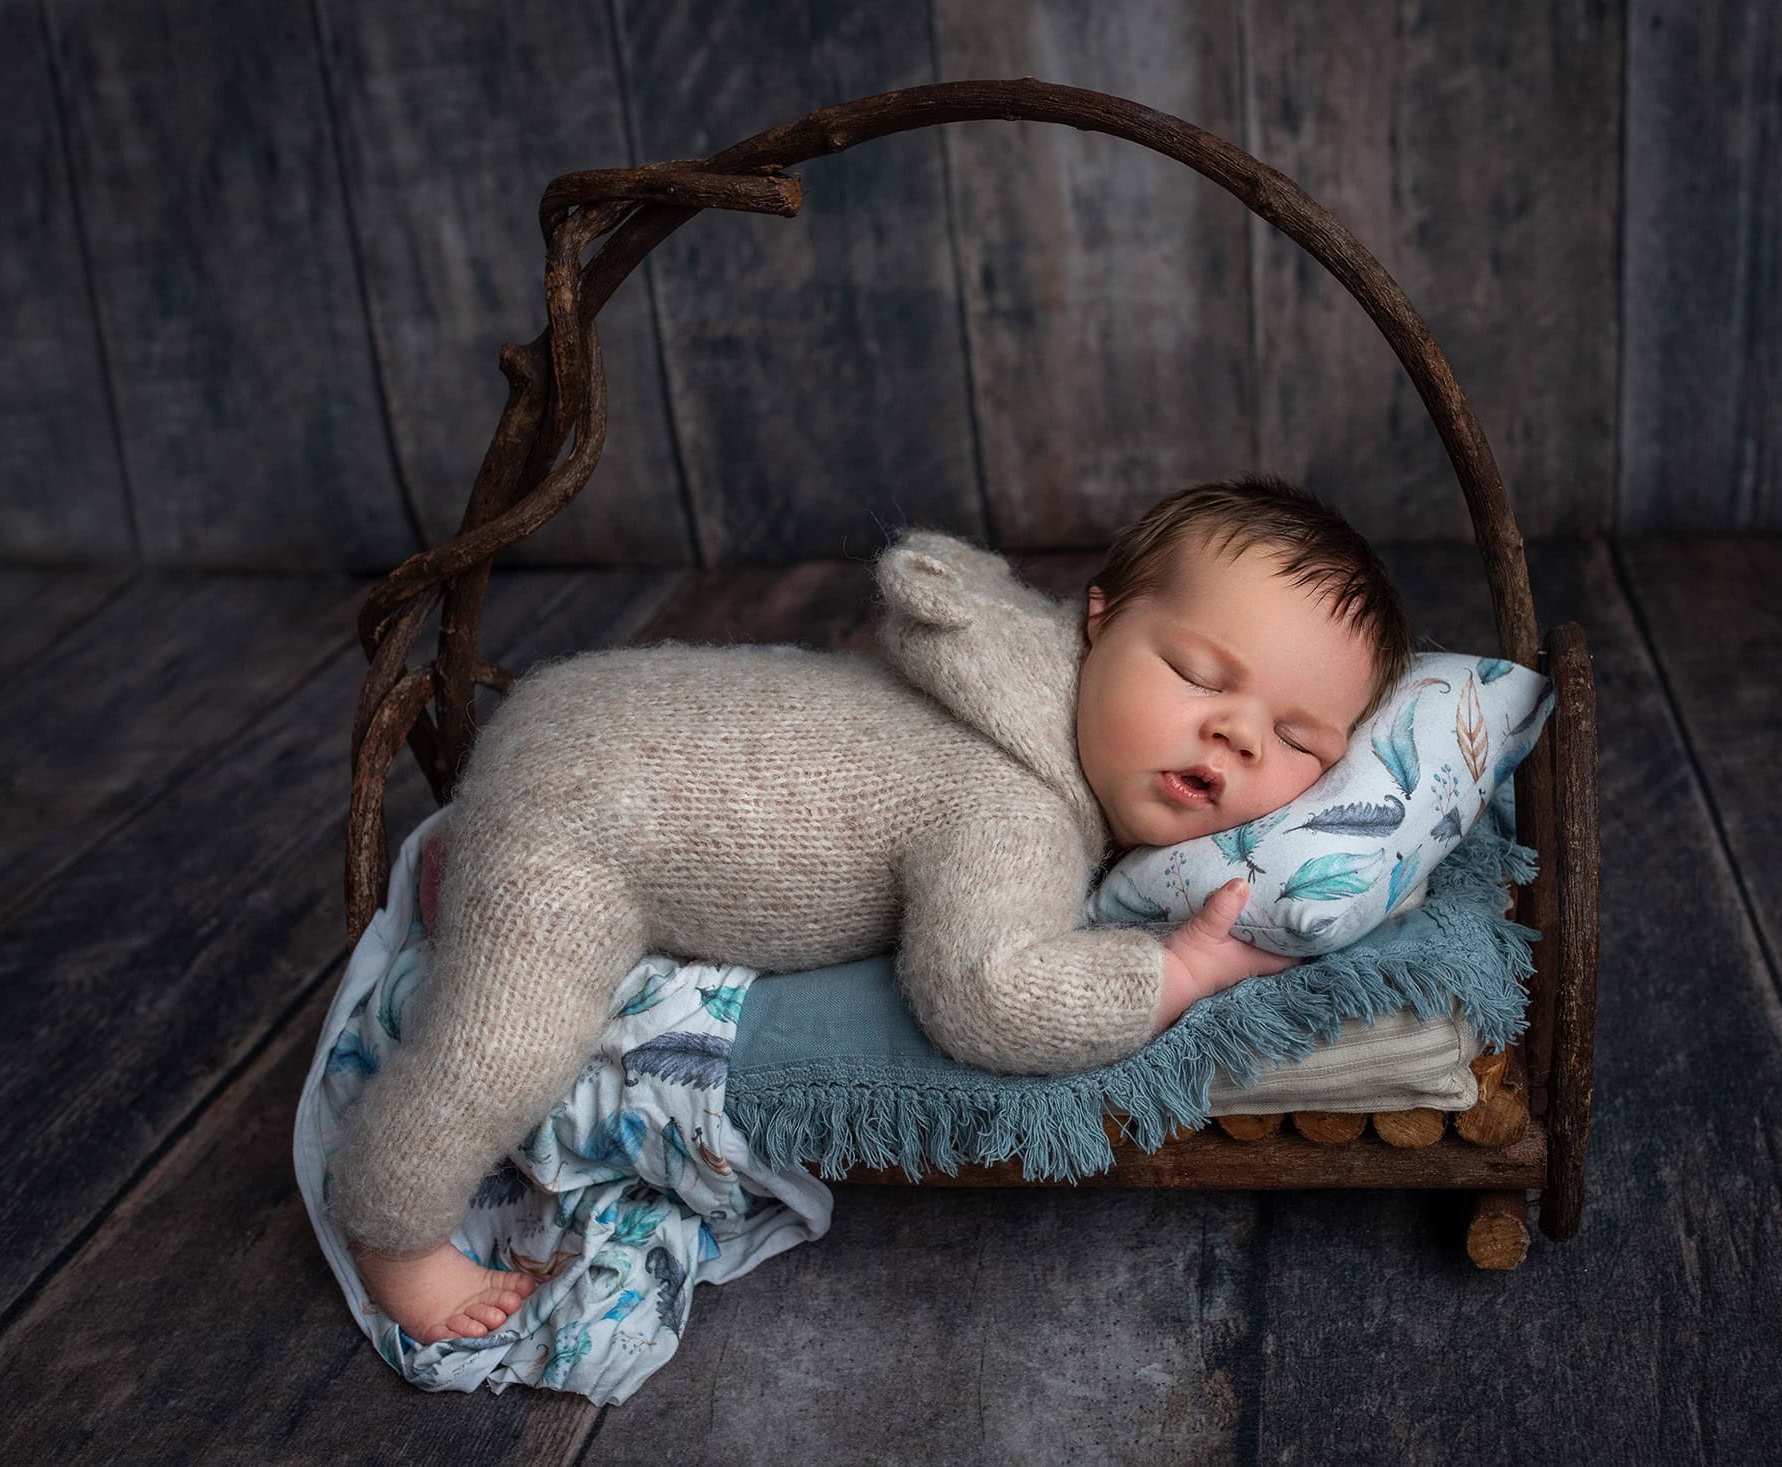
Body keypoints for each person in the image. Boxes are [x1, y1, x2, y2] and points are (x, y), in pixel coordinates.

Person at [326, 473, 1414, 1343]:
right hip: (587, 823)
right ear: (1100, 622)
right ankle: (393, 1227)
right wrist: (1171, 974)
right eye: (1195, 671)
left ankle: (465, 861)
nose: (1234, 736)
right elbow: (985, 995)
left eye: (1298, 741)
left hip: (602, 708)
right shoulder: (1012, 808)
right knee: (502, 1050)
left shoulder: (1017, 668)